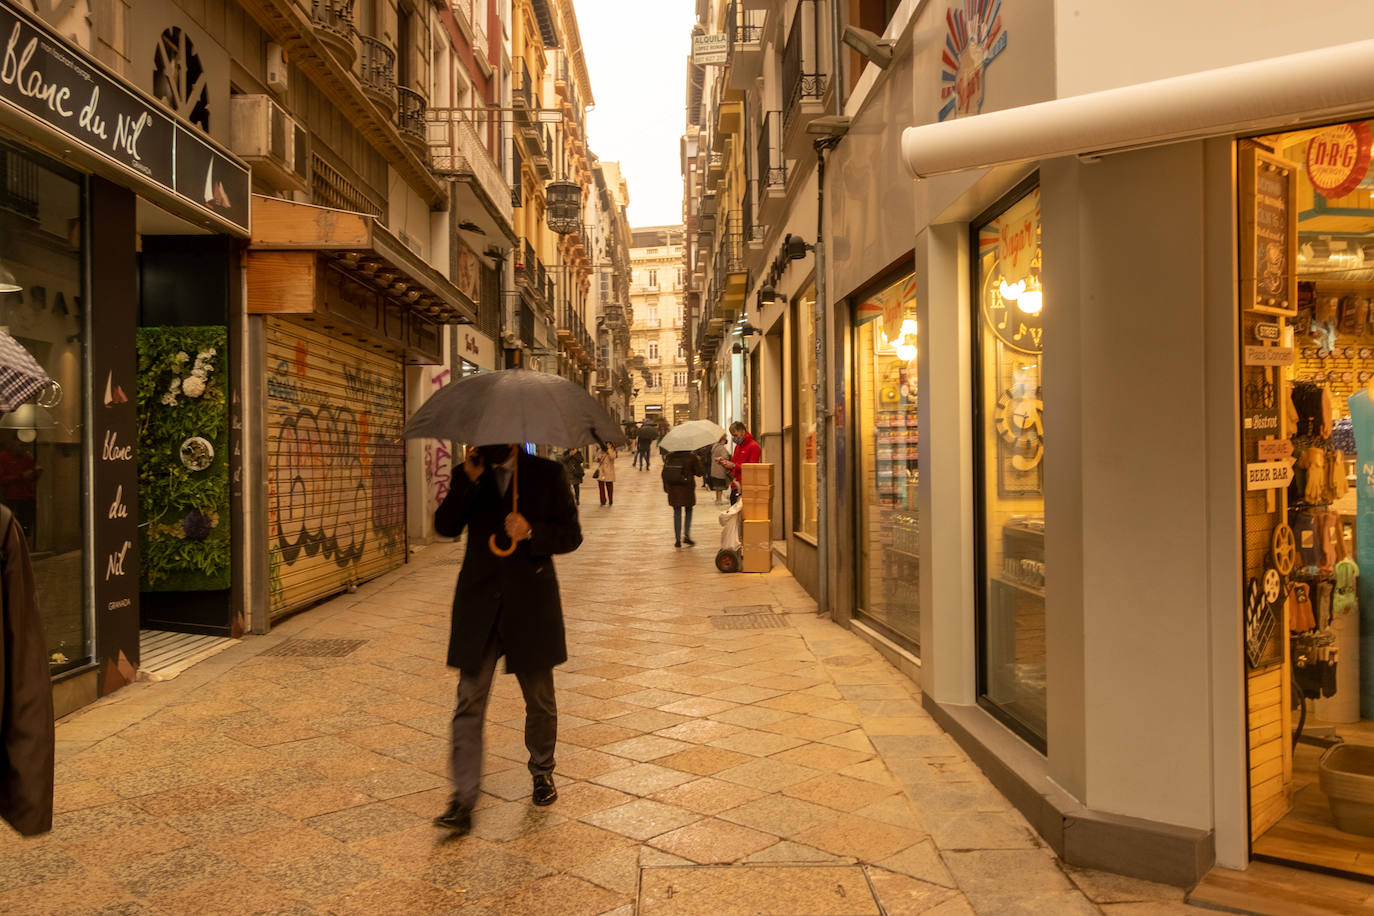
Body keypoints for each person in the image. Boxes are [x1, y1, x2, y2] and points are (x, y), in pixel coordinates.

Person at [432, 443, 582, 837]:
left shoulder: (547, 474)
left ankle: (542, 771)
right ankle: (462, 798)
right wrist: (467, 481)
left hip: (529, 605)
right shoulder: (470, 472)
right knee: (469, 700)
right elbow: (445, 526)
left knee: (539, 698)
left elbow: (571, 535)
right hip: (479, 605)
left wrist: (531, 531)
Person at [662, 449, 703, 547]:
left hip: (673, 489)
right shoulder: (691, 457)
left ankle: (677, 539)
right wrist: (699, 461)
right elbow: (699, 473)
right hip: (687, 488)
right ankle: (687, 535)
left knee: (677, 512)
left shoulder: (669, 457)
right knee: (688, 510)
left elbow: (664, 474)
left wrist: (666, 488)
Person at [717, 421, 762, 504]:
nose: (734, 438)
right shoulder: (738, 447)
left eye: (735, 435)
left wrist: (733, 465)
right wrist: (724, 463)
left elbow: (752, 468)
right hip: (735, 486)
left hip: (746, 488)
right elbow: (733, 465)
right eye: (732, 436)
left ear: (743, 432)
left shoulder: (753, 446)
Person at [707, 435, 732, 504]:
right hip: (720, 469)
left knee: (717, 485)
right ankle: (719, 500)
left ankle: (717, 499)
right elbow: (725, 457)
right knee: (720, 485)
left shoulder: (714, 447)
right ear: (722, 440)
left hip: (714, 469)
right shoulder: (721, 448)